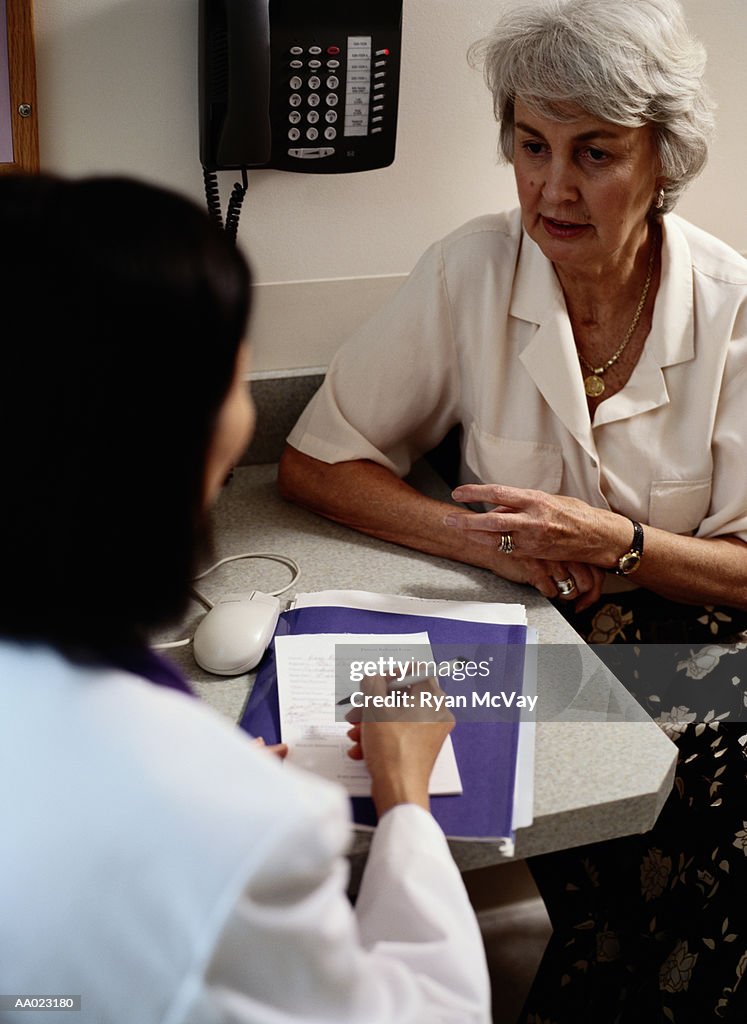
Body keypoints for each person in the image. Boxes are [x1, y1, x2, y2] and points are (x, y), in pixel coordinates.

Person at [278, 0, 747, 1020]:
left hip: (698, 649)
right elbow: (316, 462)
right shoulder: (471, 268)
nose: (552, 186)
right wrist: (473, 536)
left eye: (595, 153)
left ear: (664, 161)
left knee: (713, 824)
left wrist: (617, 543)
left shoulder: (732, 305)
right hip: (524, 635)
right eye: (532, 146)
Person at [0, 173, 491, 1024]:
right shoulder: (230, 826)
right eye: (234, 378)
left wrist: (199, 778)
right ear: (166, 440)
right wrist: (403, 796)